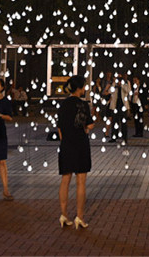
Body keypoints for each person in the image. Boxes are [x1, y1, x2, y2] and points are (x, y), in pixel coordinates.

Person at [58, 74, 94, 229]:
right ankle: (80, 217)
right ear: (80, 88)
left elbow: (59, 128)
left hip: (66, 144)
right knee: (81, 181)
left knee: (65, 180)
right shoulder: (83, 105)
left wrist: (65, 140)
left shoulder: (64, 105)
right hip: (80, 144)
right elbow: (90, 125)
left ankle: (64, 215)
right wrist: (85, 129)